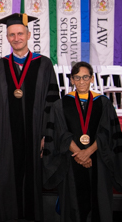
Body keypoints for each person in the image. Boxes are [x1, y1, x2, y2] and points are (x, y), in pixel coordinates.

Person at [0, 13, 60, 222]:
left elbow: (53, 102)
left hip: (34, 132)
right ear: (7, 38)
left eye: (20, 33)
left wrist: (46, 135)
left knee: (32, 177)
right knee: (7, 177)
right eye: (12, 34)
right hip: (7, 134)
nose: (16, 38)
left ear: (28, 35)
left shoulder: (44, 64)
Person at [43, 62, 122, 222]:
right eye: (77, 78)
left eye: (85, 77)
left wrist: (87, 152)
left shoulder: (103, 103)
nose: (81, 81)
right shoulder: (61, 104)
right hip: (70, 161)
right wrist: (79, 153)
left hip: (98, 161)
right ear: (71, 80)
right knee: (73, 205)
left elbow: (107, 132)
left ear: (92, 78)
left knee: (98, 203)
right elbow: (59, 132)